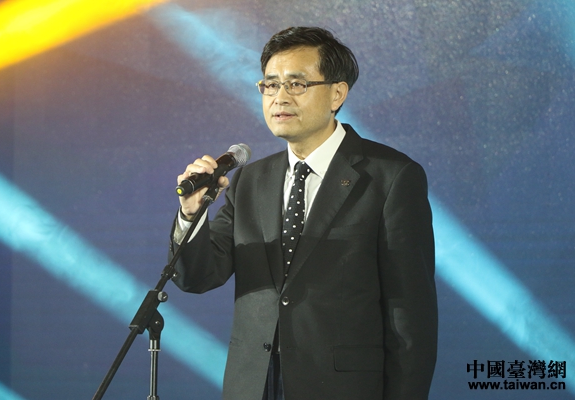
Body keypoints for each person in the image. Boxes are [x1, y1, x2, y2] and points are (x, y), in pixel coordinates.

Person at [169, 26, 437, 400]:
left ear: (337, 93)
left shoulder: (390, 177)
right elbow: (197, 276)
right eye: (270, 85)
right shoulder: (249, 181)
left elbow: (411, 317)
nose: (280, 97)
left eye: (296, 84)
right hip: (253, 385)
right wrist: (190, 214)